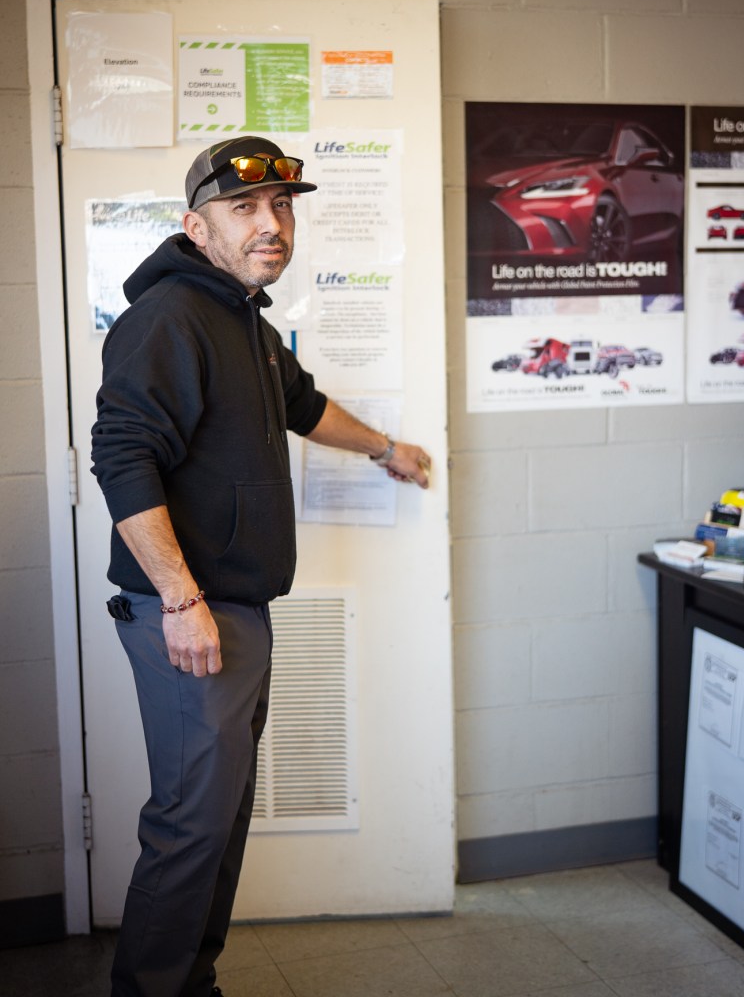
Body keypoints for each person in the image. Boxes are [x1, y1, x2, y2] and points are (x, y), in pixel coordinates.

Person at [91, 135, 431, 997]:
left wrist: (385, 448)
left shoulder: (242, 315)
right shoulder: (170, 317)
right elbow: (123, 454)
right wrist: (179, 598)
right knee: (190, 826)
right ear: (196, 226)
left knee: (219, 821)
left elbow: (302, 405)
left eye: (282, 206)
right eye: (244, 208)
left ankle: (188, 982)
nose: (270, 223)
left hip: (236, 611)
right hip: (192, 614)